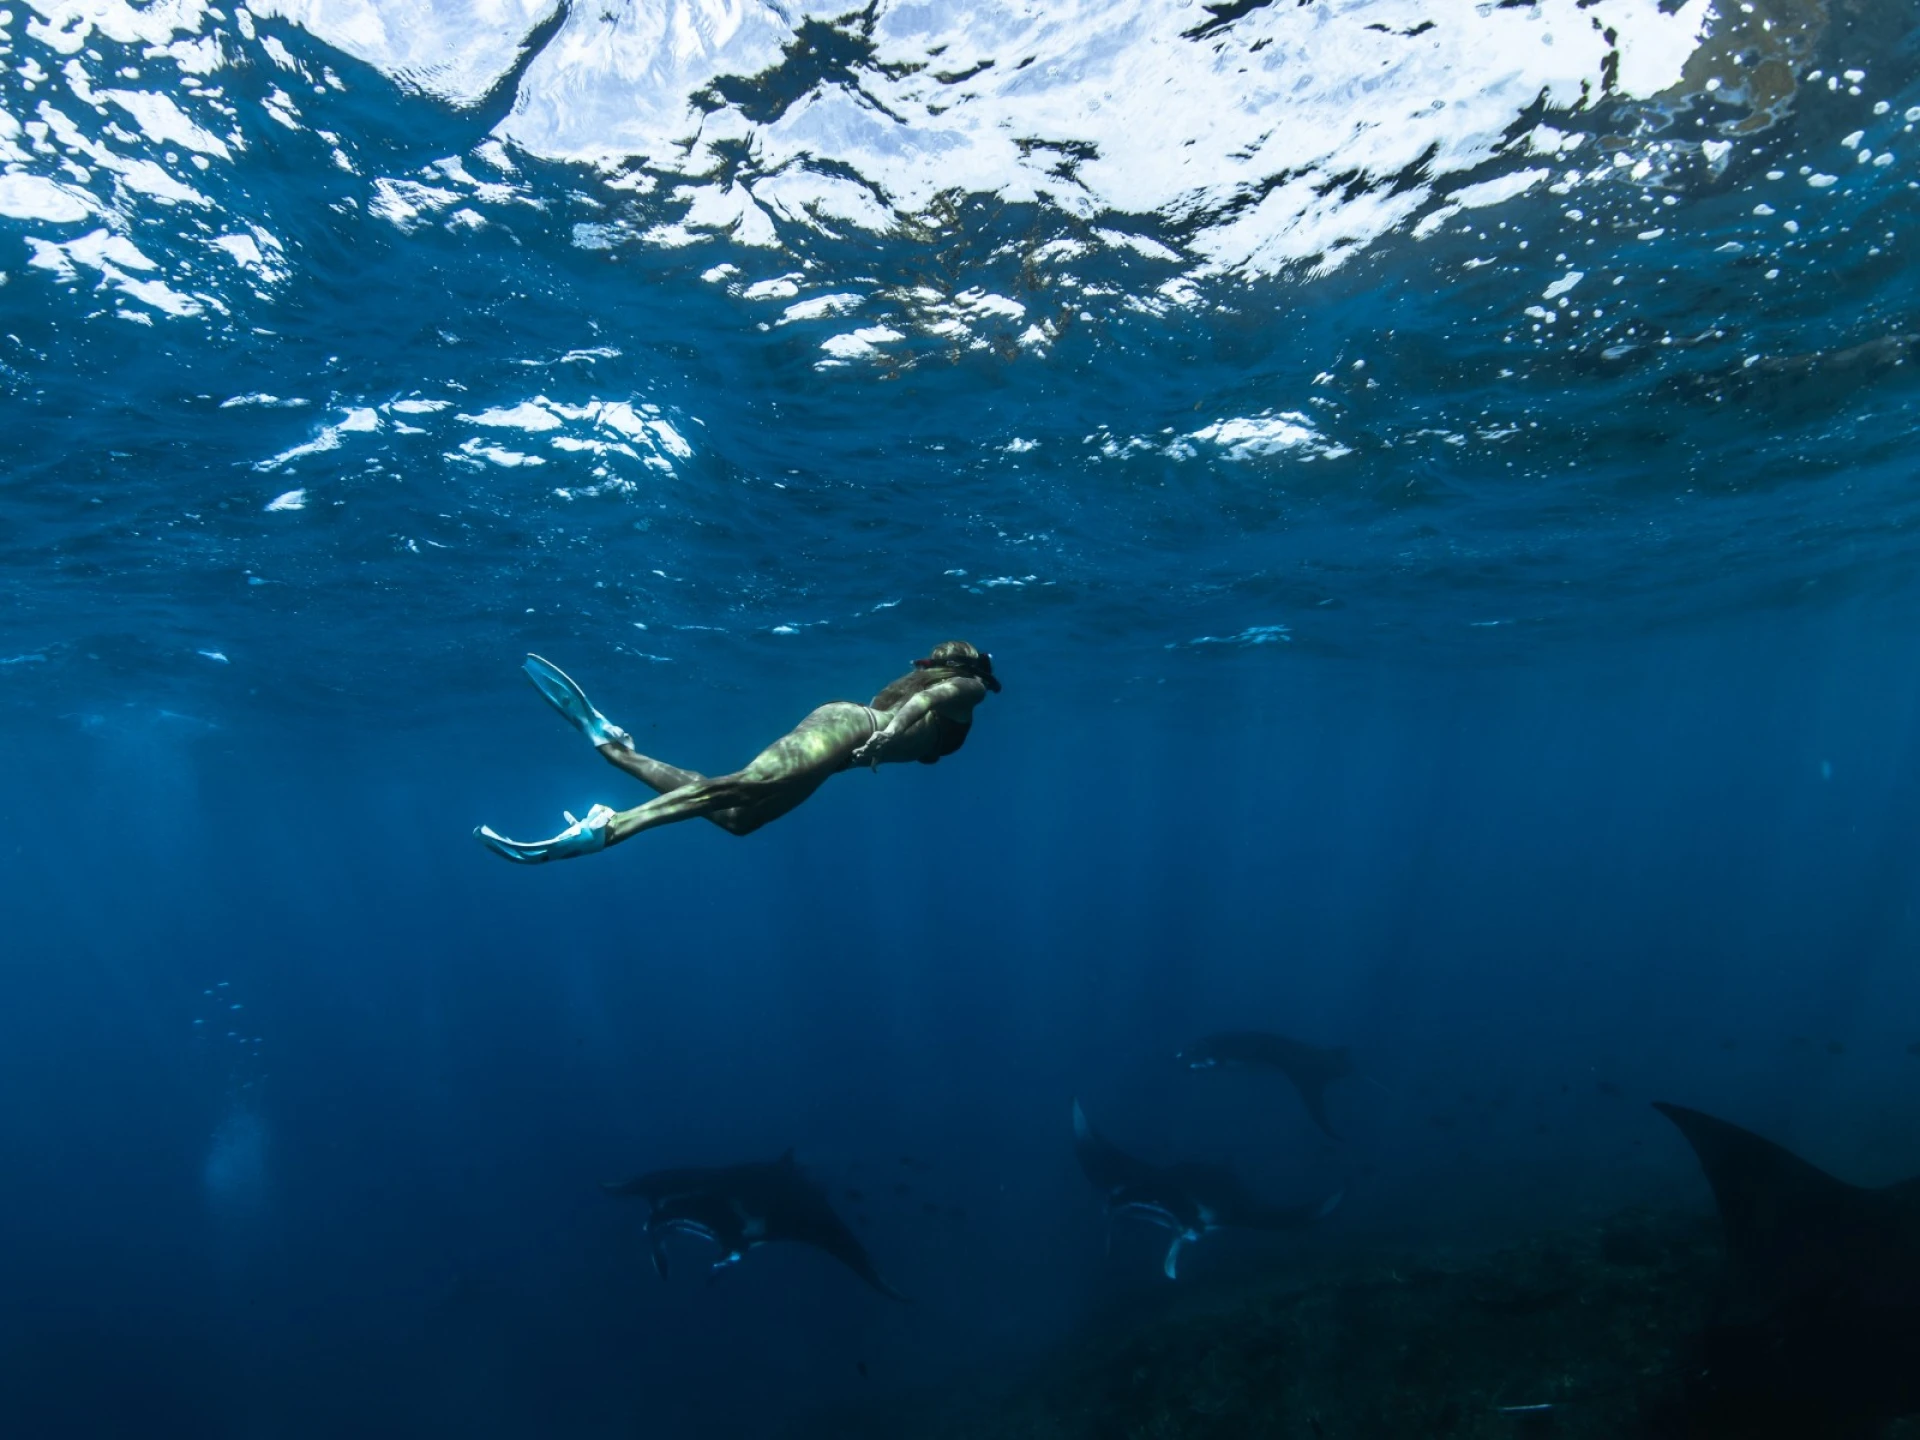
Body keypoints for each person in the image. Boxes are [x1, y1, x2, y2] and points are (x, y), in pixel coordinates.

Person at [474, 641, 1000, 863]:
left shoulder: (929, 687)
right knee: (747, 786)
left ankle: (611, 746)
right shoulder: (971, 688)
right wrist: (891, 733)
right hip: (851, 729)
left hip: (841, 744)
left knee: (737, 818)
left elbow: (924, 701)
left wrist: (886, 736)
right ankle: (611, 828)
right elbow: (931, 700)